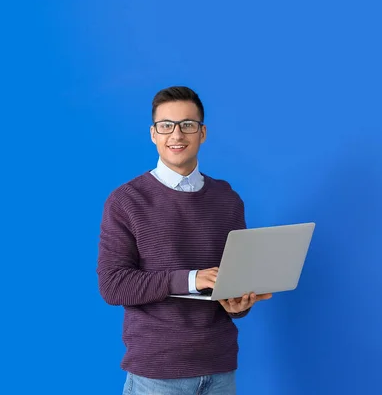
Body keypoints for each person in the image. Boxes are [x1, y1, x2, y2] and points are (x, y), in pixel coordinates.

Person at [97, 86, 272, 394]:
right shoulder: (126, 201)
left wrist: (238, 304)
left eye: (187, 125)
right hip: (157, 373)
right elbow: (114, 286)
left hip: (219, 367)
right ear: (154, 134)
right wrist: (192, 279)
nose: (176, 135)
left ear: (202, 133)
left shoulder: (227, 199)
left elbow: (230, 281)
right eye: (166, 126)